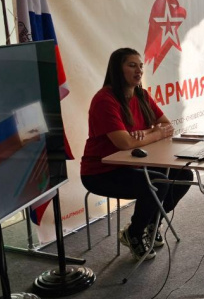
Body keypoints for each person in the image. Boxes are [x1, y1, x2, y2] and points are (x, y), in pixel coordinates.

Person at [81, 48, 193, 261]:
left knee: (184, 176)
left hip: (134, 164)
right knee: (158, 183)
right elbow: (124, 143)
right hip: (102, 171)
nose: (139, 70)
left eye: (141, 66)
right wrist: (152, 133)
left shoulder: (141, 95)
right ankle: (133, 233)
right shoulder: (104, 100)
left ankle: (153, 223)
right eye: (132, 65)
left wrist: (146, 133)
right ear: (117, 69)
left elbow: (167, 126)